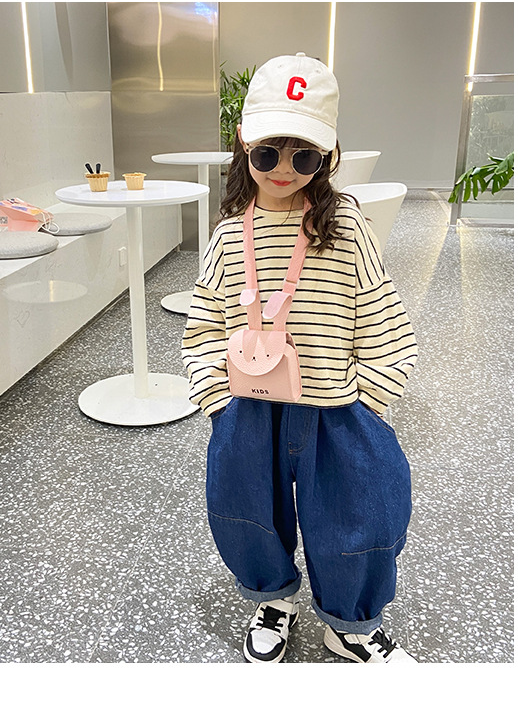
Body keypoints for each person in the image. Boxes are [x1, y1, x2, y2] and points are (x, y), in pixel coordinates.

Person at [181, 53, 419, 664]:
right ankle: (273, 599)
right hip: (248, 406)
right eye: (267, 154)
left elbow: (382, 313)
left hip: (336, 407)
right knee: (245, 513)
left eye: (303, 156)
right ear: (244, 145)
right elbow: (204, 322)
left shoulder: (347, 228)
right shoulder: (228, 234)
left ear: (329, 156)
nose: (283, 170)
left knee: (359, 518)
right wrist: (215, 399)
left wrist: (371, 398)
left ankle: (350, 624)